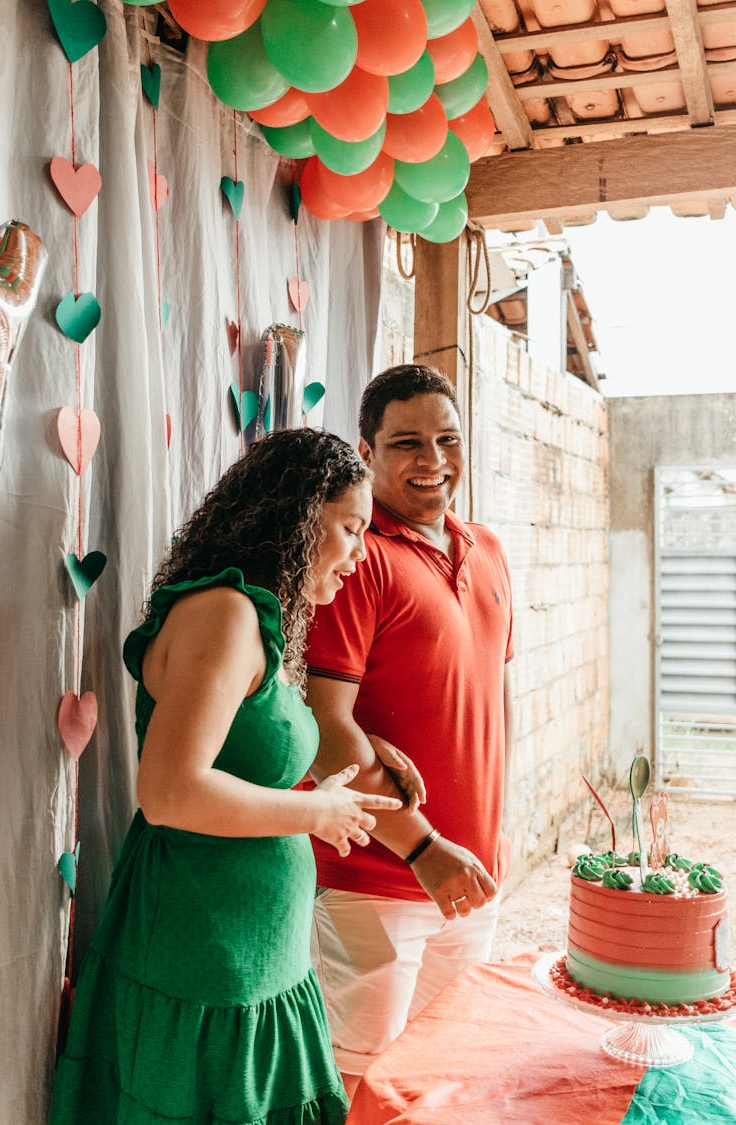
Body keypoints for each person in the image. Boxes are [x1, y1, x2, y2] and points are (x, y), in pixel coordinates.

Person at [49, 428, 406, 1125]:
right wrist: (313, 815)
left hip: (246, 957)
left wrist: (322, 795)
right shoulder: (224, 614)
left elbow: (239, 767)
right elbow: (170, 790)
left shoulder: (253, 618)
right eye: (350, 530)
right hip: (205, 959)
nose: (360, 556)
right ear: (300, 518)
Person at [305, 365, 514, 1098]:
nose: (433, 461)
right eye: (407, 443)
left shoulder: (485, 548)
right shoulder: (359, 560)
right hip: (377, 880)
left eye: (447, 439)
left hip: (471, 879)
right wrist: (424, 847)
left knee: (443, 1085)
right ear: (366, 451)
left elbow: (487, 702)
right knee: (360, 1087)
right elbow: (325, 725)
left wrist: (488, 830)